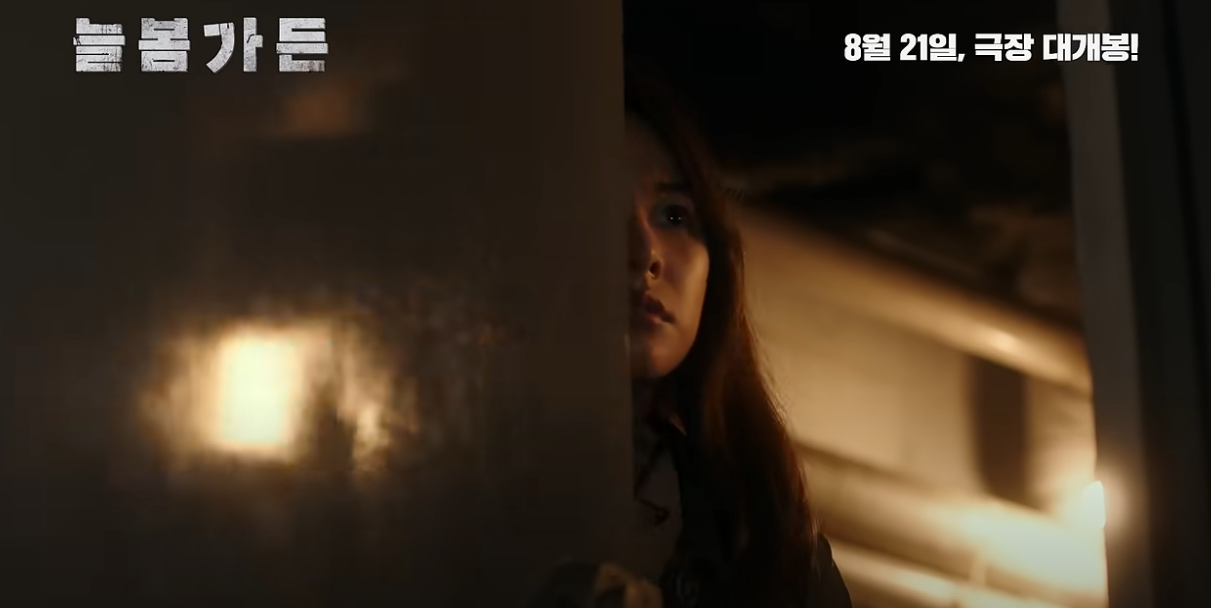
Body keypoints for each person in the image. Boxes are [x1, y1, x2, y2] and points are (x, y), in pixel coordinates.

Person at [534, 66, 853, 608]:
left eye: (674, 215)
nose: (645, 252)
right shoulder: (456, 481)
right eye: (597, 209)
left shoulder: (769, 535)